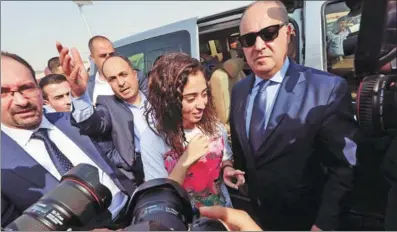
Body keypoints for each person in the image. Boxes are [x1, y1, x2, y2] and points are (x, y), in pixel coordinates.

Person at [231, 1, 359, 230]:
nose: (258, 45)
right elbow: (247, 155)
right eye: (249, 39)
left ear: (288, 33)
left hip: (308, 221)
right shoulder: (239, 91)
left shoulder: (326, 89)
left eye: (268, 34)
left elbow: (344, 167)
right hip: (260, 218)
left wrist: (323, 224)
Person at [0, 51, 136, 228]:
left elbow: (100, 127)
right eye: (3, 92)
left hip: (135, 211)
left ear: (39, 90)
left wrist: (80, 94)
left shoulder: (70, 119)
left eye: (27, 88)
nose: (21, 101)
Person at [140, 53, 245, 210]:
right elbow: (161, 196)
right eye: (191, 98)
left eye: (204, 94)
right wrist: (186, 159)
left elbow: (225, 158)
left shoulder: (214, 124)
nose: (202, 104)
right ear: (169, 100)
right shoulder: (153, 138)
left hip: (223, 212)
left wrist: (227, 169)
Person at [56, 43, 147, 184]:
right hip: (142, 178)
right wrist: (79, 95)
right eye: (113, 79)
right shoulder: (107, 104)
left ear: (134, 75)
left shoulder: (156, 96)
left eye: (123, 74)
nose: (121, 82)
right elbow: (93, 124)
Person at [83, 36, 148, 103]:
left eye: (111, 54)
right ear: (92, 58)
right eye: (103, 56)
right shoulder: (87, 87)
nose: (108, 58)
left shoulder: (137, 77)